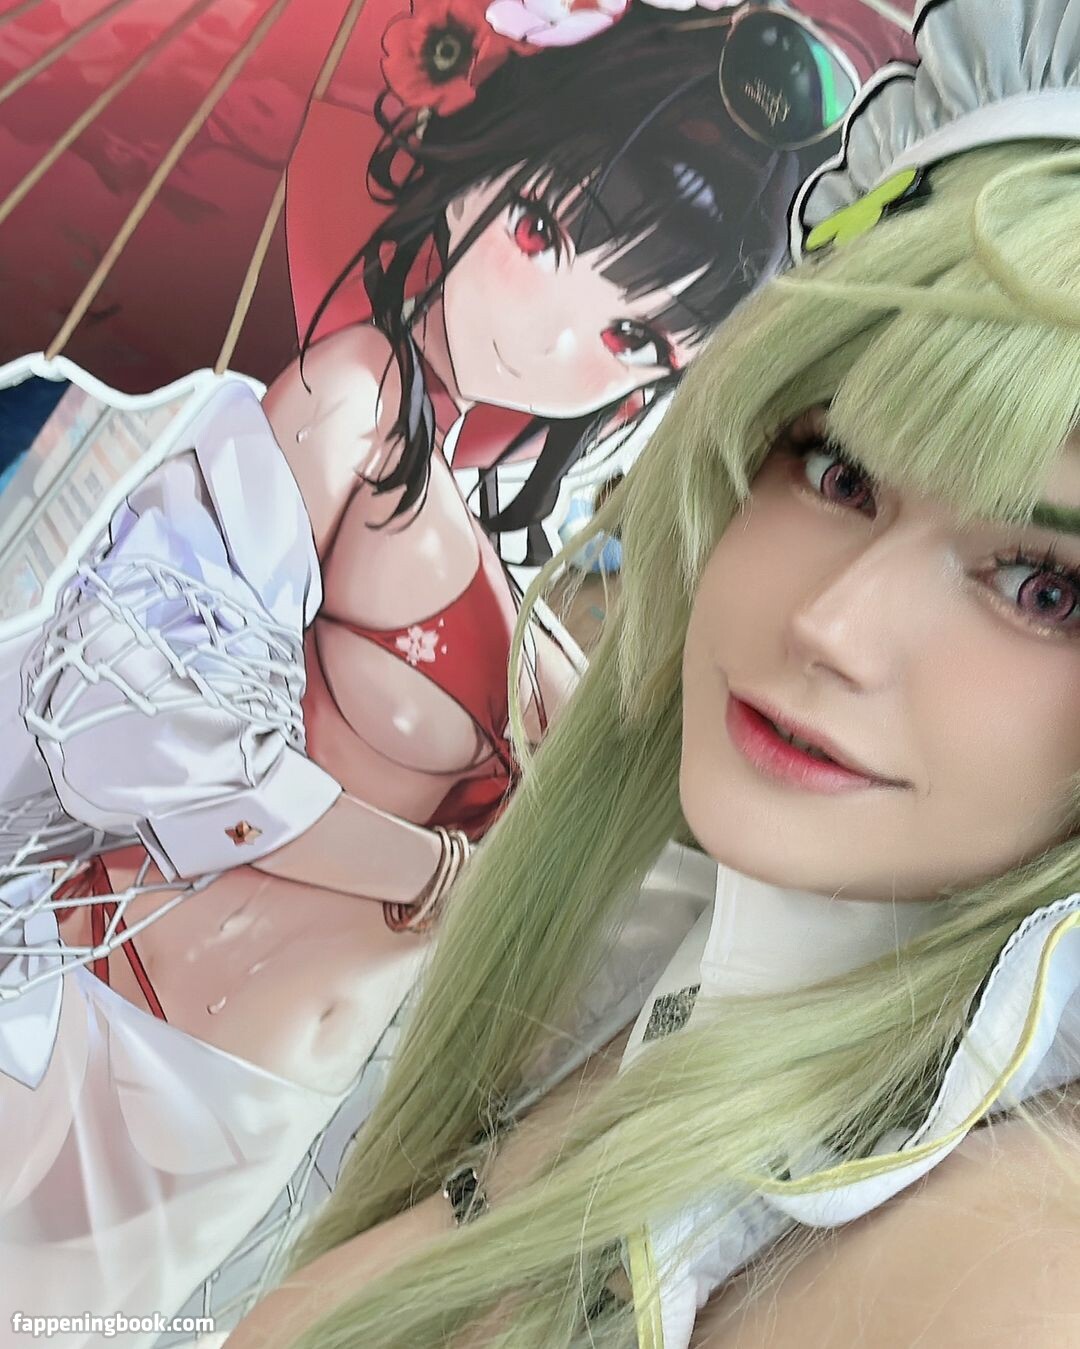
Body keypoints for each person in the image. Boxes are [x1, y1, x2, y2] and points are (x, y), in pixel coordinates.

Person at [224, 2, 1080, 1346]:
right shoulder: (655, 962)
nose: (833, 625)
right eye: (837, 471)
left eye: (1042, 588)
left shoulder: (1004, 1275)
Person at [0, 4, 828, 1341]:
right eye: (545, 234)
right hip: (112, 1042)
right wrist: (431, 872)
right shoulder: (348, 401)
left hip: (243, 1121)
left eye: (632, 339)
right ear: (480, 169)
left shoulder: (481, 525)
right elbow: (137, 723)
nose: (557, 338)